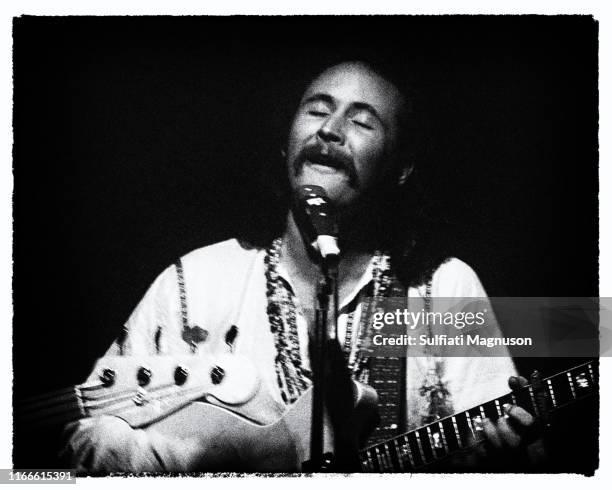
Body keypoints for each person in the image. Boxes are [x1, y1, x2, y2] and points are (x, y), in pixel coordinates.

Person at [60, 60, 539, 473]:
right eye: (317, 109)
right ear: (286, 146)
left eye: (363, 121)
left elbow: (513, 447)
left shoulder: (444, 287)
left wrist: (515, 453)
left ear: (399, 169)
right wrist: (208, 459)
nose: (330, 129)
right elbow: (86, 437)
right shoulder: (196, 282)